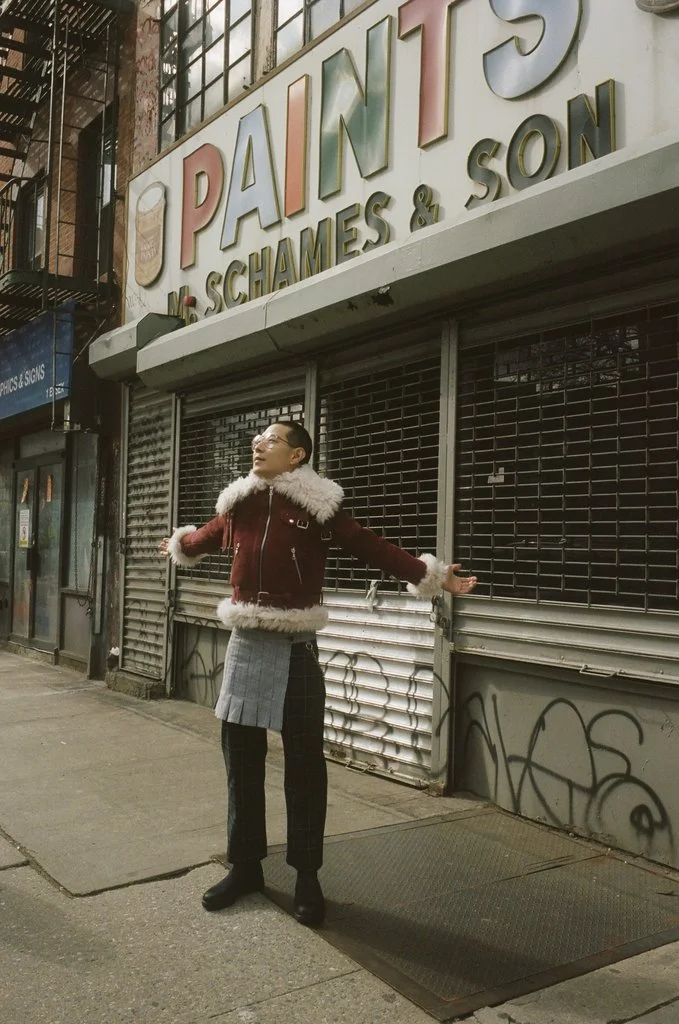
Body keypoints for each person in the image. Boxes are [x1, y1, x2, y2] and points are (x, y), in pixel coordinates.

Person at [159, 421, 477, 927]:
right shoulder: (238, 502)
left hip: (296, 650)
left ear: (297, 455)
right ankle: (245, 868)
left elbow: (372, 547)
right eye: (257, 440)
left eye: (271, 440)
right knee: (241, 761)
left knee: (305, 766)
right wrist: (181, 542)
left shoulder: (319, 507)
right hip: (245, 647)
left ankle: (307, 875)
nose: (257, 444)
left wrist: (433, 576)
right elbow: (203, 538)